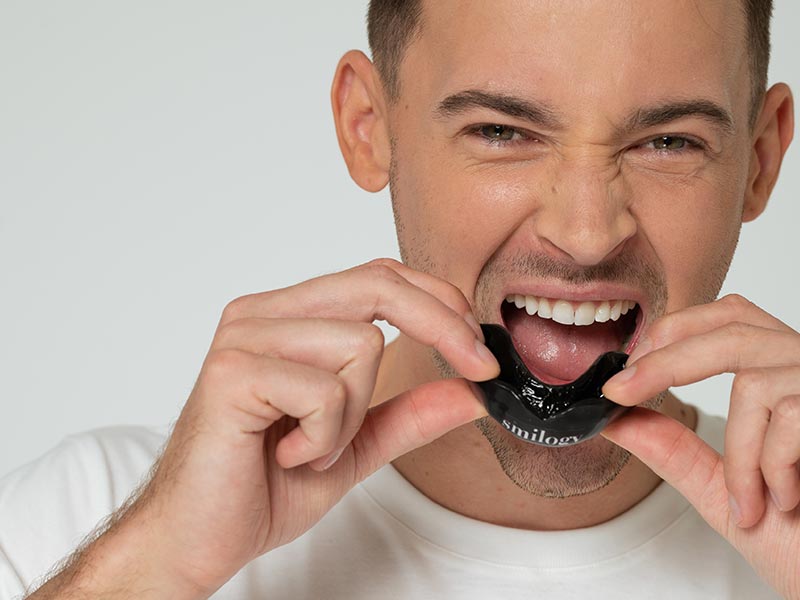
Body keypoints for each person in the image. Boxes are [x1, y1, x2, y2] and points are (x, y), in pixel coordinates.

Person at [0, 0, 797, 598]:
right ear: (368, 125)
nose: (586, 234)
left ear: (759, 160)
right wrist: (155, 568)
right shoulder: (87, 516)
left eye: (668, 142)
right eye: (501, 132)